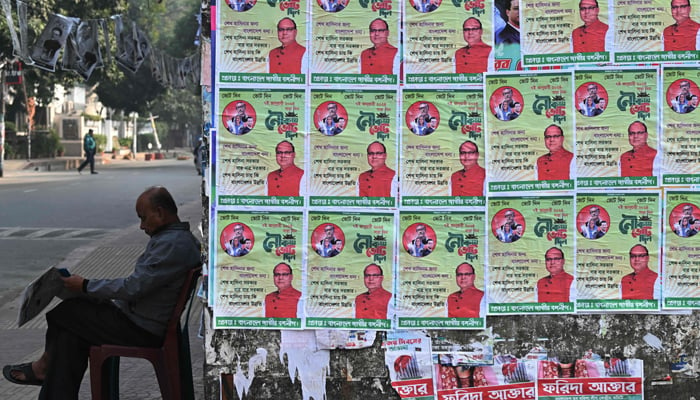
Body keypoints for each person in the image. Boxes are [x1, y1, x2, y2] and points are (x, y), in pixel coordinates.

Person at [2, 186, 201, 397]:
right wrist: (88, 290)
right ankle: (50, 383)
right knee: (71, 334)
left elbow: (133, 287)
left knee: (65, 314)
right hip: (138, 318)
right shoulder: (175, 240)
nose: (142, 226)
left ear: (160, 213)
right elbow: (139, 284)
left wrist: (86, 286)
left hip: (142, 328)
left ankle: (42, 368)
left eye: (144, 218)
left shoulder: (173, 245)